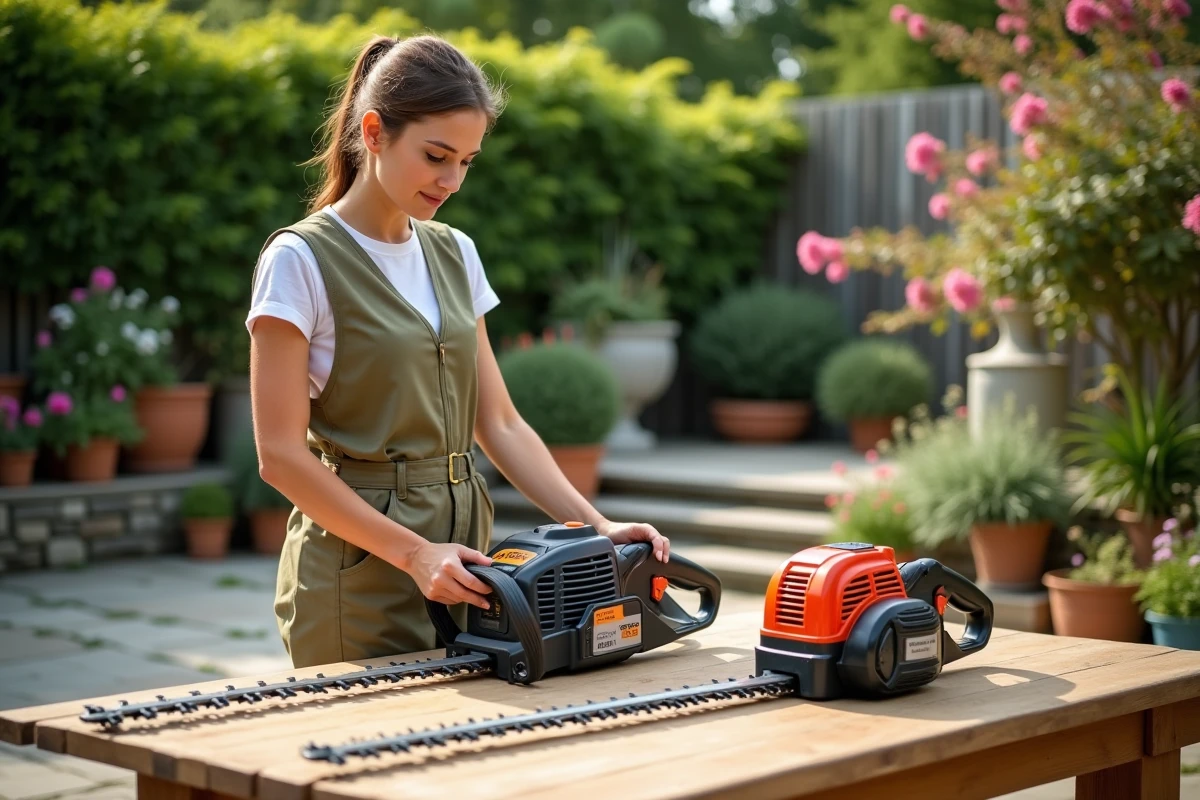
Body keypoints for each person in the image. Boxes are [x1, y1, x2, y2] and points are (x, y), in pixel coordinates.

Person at [246, 33, 671, 669]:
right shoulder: (299, 261)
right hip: (358, 571)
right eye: (436, 156)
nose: (452, 181)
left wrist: (598, 527)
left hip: (467, 564)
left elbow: (498, 422)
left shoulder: (455, 252)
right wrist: (415, 554)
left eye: (467, 161)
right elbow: (279, 455)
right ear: (374, 132)